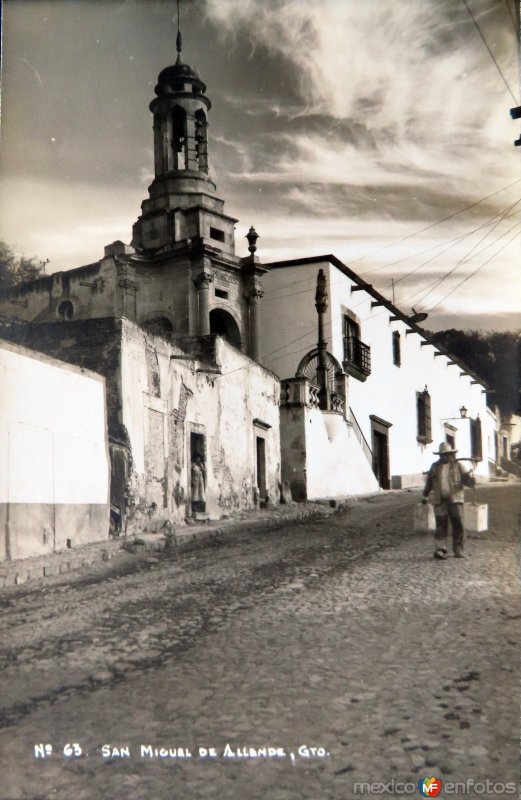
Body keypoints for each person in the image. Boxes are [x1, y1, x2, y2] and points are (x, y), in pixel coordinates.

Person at [422, 441, 475, 560]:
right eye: (442, 455)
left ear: (451, 454)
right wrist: (424, 495)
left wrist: (470, 478)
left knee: (459, 525)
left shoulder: (459, 466)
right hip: (440, 500)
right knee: (441, 525)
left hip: (455, 500)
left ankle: (458, 550)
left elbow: (469, 482)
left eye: (446, 454)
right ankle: (440, 549)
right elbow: (429, 483)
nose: (444, 457)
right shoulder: (434, 467)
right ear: (439, 455)